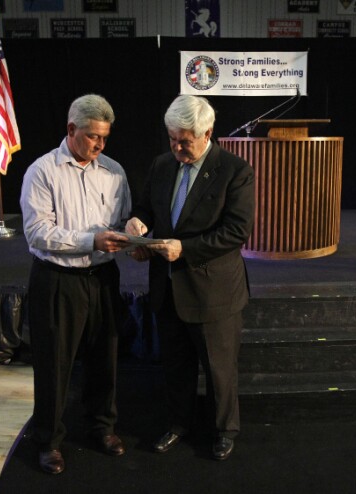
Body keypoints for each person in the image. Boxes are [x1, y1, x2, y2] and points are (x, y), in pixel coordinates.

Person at [126, 95, 255, 461]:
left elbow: (236, 231)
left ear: (208, 133)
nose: (177, 147)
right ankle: (178, 424)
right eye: (172, 138)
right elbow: (145, 208)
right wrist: (136, 222)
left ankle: (223, 430)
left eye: (185, 140)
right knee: (176, 365)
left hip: (213, 290)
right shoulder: (162, 164)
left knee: (219, 370)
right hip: (167, 287)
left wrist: (186, 248)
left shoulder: (235, 170)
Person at [20, 94, 132, 475]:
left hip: (102, 279)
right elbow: (37, 233)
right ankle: (48, 441)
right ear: (71, 130)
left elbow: (124, 218)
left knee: (105, 358)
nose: (99, 145)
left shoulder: (114, 171)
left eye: (104, 138)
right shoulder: (42, 171)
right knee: (54, 364)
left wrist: (132, 230)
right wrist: (91, 240)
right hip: (57, 281)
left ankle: (102, 428)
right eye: (92, 137)